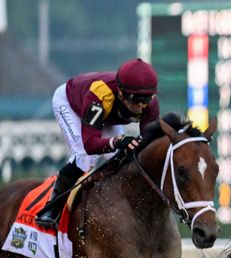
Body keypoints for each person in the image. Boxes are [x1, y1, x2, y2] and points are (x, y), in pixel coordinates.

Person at [34, 58, 160, 228]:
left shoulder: (150, 103)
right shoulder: (100, 94)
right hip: (71, 104)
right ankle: (51, 208)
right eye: (135, 99)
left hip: (105, 117)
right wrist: (118, 141)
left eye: (145, 100)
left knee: (124, 159)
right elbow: (90, 144)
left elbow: (147, 145)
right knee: (85, 159)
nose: (140, 106)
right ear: (121, 93)